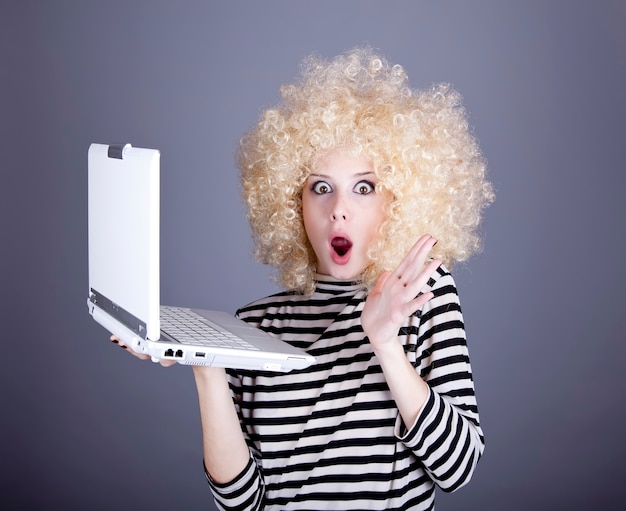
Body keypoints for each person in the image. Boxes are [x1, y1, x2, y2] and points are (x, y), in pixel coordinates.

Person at [115, 46, 494, 510]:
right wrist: (206, 363)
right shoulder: (253, 326)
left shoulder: (422, 298)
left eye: (364, 187)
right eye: (320, 187)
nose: (339, 208)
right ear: (292, 203)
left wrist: (386, 344)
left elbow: (458, 468)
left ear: (397, 201)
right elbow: (240, 503)